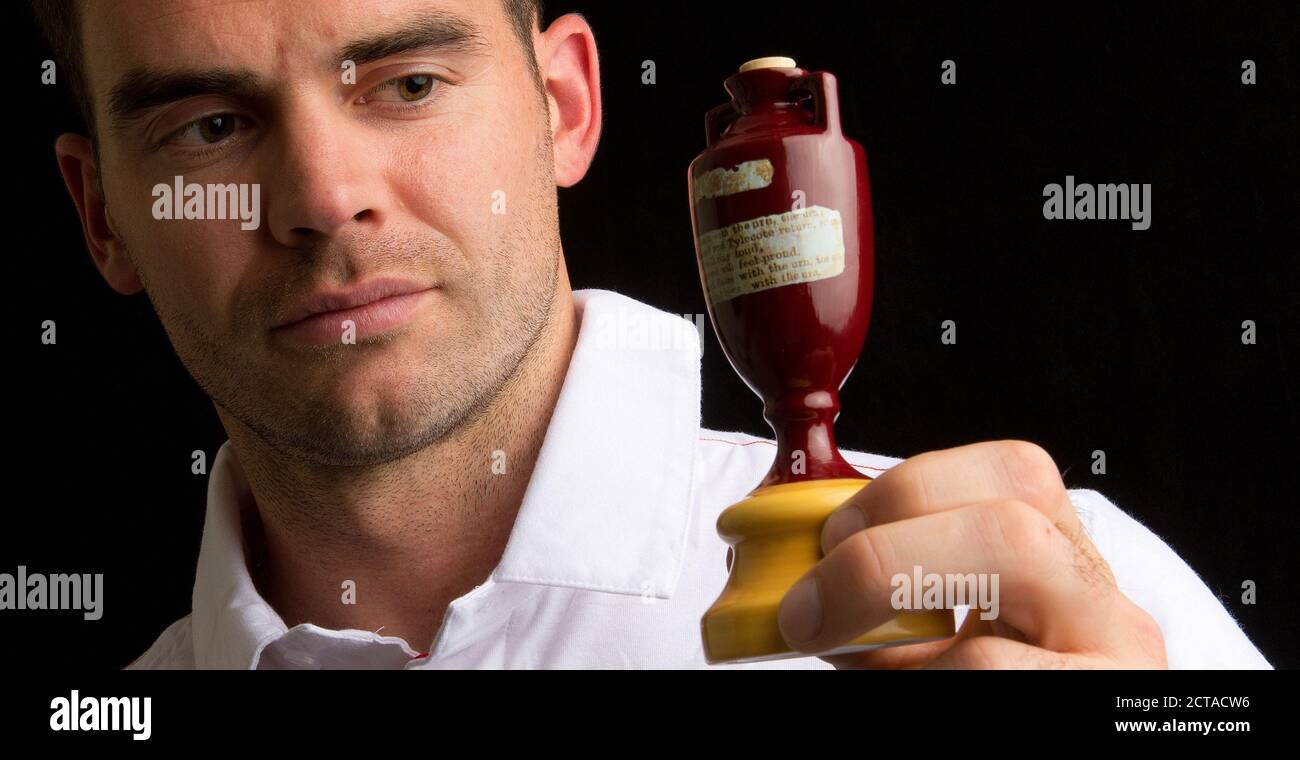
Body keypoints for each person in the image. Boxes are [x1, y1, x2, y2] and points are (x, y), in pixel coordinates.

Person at [34, 0, 1268, 669]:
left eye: (407, 83)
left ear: (564, 109)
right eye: (206, 128)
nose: (319, 196)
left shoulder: (1049, 608)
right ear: (103, 219)